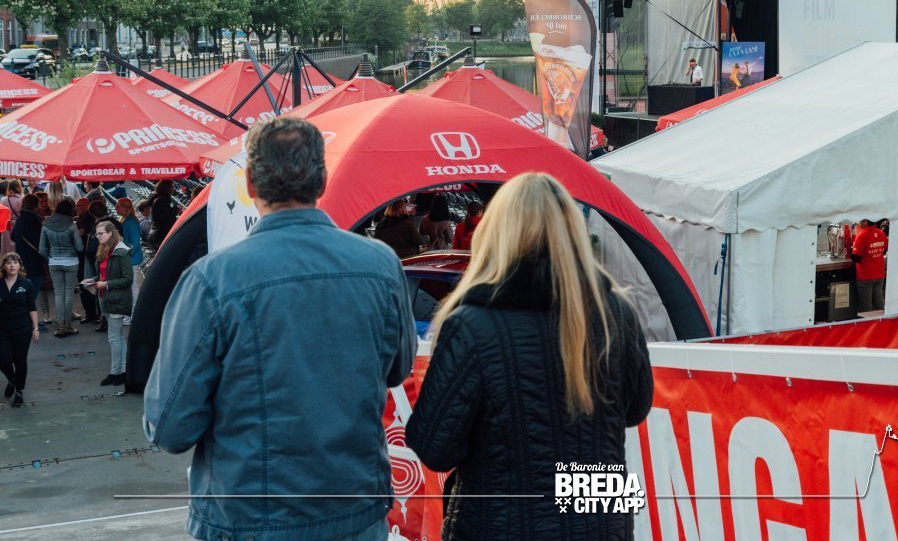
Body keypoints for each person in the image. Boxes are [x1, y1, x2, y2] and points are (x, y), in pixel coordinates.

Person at [144, 116, 415, 541]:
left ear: (250, 183)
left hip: (249, 516)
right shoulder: (380, 265)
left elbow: (170, 427)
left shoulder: (212, 280)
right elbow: (398, 369)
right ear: (322, 179)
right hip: (354, 510)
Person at [408, 172, 653, 541]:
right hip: (600, 521)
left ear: (497, 233)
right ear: (574, 233)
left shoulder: (472, 325)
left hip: (502, 522)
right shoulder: (615, 313)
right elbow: (635, 409)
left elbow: (435, 447)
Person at [81, 220, 133, 387]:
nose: (98, 236)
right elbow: (105, 274)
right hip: (106, 297)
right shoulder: (105, 250)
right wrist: (94, 280)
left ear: (111, 233)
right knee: (117, 337)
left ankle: (116, 372)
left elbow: (128, 279)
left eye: (101, 233)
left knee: (114, 337)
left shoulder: (121, 252)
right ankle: (122, 371)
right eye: (96, 233)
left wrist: (106, 284)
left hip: (116, 299)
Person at [0, 252, 39, 407]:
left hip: (22, 329)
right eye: (8, 263)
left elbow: (32, 308)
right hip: (2, 329)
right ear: (3, 266)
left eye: (15, 262)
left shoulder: (26, 284)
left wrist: (35, 328)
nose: (12, 265)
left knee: (20, 361)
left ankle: (19, 391)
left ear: (19, 265)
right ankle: (12, 379)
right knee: (3, 359)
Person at [41, 198, 84, 337]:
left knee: (58, 293)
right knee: (69, 293)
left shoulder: (46, 224)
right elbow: (80, 247)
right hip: (71, 261)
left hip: (54, 261)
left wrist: (51, 258)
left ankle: (60, 326)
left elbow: (42, 249)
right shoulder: (71, 225)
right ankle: (68, 325)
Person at [11, 194, 45, 330]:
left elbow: (13, 236)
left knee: (26, 290)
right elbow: (40, 241)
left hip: (22, 259)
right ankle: (28, 321)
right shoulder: (34, 220)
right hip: (33, 260)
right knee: (31, 292)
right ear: (35, 206)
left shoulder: (20, 218)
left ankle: (26, 320)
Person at [82, 200, 112, 333]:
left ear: (93, 214)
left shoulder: (98, 226)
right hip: (113, 259)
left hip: (101, 260)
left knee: (101, 290)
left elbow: (92, 248)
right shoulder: (114, 222)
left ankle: (104, 320)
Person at [115, 197, 144, 324]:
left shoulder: (131, 222)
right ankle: (132, 314)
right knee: (131, 287)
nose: (116, 208)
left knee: (132, 287)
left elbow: (135, 243)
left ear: (125, 208)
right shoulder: (128, 220)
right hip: (131, 258)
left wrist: (127, 253)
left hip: (132, 259)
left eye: (118, 206)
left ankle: (134, 315)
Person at [850, 219, 889, 312]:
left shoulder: (861, 236)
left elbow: (856, 258)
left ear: (866, 222)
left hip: (865, 275)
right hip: (879, 274)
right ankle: (884, 320)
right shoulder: (881, 233)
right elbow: (884, 250)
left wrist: (852, 249)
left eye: (861, 220)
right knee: (879, 303)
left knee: (866, 306)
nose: (858, 222)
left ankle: (869, 321)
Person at [148, 180, 178, 247]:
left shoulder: (159, 199)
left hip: (157, 234)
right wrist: (176, 209)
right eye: (172, 187)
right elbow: (166, 219)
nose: (174, 189)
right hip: (161, 236)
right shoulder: (161, 200)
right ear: (167, 188)